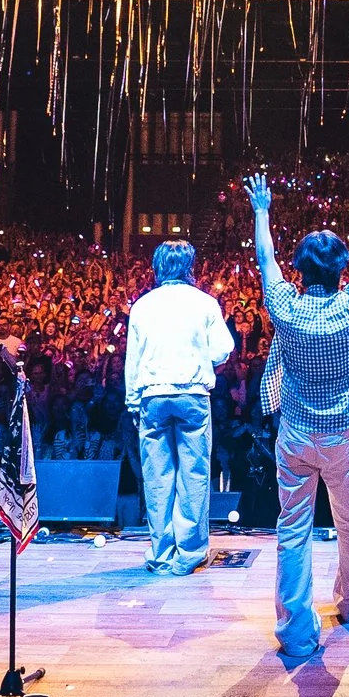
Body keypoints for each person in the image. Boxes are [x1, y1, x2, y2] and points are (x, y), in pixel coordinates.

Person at [252, 164, 349, 659]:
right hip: (342, 435)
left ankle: (295, 631)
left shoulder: (283, 307)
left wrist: (262, 209)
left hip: (295, 433)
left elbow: (264, 256)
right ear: (341, 270)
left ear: (301, 269)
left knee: (292, 527)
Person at [124, 239, 236, 575]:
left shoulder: (142, 306)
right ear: (190, 267)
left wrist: (132, 402)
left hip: (152, 397)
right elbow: (223, 349)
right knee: (194, 475)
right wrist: (201, 357)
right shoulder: (204, 303)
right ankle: (188, 554)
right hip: (192, 396)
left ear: (157, 266)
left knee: (157, 478)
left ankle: (161, 554)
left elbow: (133, 360)